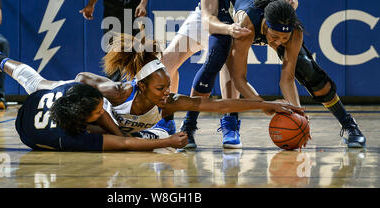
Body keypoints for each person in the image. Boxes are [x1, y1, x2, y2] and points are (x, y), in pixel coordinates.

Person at [164, 0, 298, 149]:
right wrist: (229, 29)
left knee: (227, 68)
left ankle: (229, 124)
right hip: (214, 17)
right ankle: (166, 119)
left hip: (241, 16)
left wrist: (291, 1)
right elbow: (207, 19)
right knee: (166, 63)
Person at [73, 32, 305, 140]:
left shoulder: (169, 102)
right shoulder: (118, 93)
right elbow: (81, 77)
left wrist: (267, 104)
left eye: (167, 87)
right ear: (141, 86)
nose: (167, 93)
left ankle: (159, 129)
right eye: (160, 88)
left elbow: (220, 106)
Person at [0, 45, 189, 151]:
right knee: (36, 83)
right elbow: (123, 143)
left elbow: (116, 133)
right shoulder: (72, 138)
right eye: (99, 112)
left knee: (36, 83)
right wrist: (162, 141)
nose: (103, 112)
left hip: (49, 104)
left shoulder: (83, 102)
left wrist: (123, 134)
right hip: (39, 119)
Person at [220, 0, 366, 148]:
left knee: (308, 70)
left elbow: (287, 79)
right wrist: (265, 105)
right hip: (227, 6)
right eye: (274, 37)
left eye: (284, 38)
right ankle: (215, 124)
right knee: (222, 63)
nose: (278, 43)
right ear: (266, 26)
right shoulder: (246, 27)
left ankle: (348, 123)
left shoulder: (294, 29)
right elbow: (240, 79)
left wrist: (299, 116)